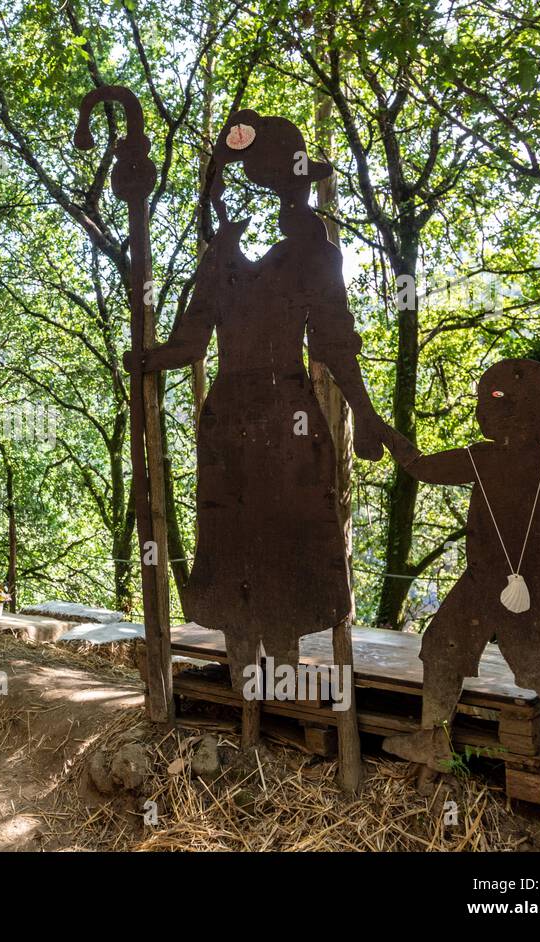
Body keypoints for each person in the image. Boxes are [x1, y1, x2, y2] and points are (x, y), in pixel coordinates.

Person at [126, 109, 386, 681]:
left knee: (291, 534)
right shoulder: (220, 260)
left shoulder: (314, 254)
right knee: (232, 533)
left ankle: (283, 673)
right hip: (230, 423)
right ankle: (245, 665)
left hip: (288, 417)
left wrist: (367, 417)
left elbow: (333, 342)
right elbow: (191, 342)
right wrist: (149, 359)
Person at [381, 359, 540, 806]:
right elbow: (421, 468)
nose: (485, 409)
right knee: (442, 645)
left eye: (493, 401)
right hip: (484, 580)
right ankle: (433, 737)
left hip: (532, 585)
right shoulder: (501, 461)